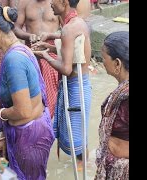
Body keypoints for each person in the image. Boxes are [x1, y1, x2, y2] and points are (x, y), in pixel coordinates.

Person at [0, 3, 55, 179]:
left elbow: (23, 110)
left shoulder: (14, 60)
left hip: (29, 139)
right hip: (29, 133)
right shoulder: (20, 50)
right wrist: (3, 137)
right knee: (14, 173)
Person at [32, 0, 92, 164]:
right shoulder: (77, 22)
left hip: (75, 87)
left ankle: (82, 166)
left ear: (64, 2)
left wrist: (44, 55)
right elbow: (70, 48)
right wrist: (50, 44)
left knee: (77, 137)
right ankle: (82, 164)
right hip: (81, 84)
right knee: (79, 132)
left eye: (54, 0)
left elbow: (65, 69)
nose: (50, 3)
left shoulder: (68, 28)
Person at [13, 0, 61, 119]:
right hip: (31, 51)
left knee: (54, 92)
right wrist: (29, 36)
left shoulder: (58, 3)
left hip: (52, 50)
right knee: (32, 91)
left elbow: (67, 30)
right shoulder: (24, 3)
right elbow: (16, 28)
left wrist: (50, 36)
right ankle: (37, 124)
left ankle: (50, 125)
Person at [95, 31, 129, 180]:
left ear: (117, 63)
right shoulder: (122, 92)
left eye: (103, 58)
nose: (102, 62)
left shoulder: (126, 98)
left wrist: (117, 147)